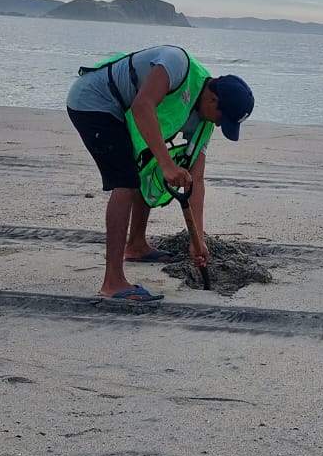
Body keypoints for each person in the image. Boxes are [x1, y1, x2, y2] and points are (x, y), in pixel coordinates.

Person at [66, 46, 254, 301]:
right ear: (213, 100)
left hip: (121, 114)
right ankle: (113, 282)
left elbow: (196, 180)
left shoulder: (203, 122)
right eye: (223, 119)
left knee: (143, 170)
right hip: (94, 101)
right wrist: (166, 165)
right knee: (125, 181)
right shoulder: (177, 63)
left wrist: (197, 240)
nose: (219, 125)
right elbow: (143, 106)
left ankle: (136, 246)